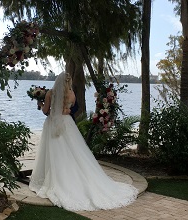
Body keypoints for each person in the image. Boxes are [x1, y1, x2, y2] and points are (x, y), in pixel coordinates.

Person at [29, 72, 138, 211]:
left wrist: (40, 103)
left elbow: (46, 111)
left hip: (53, 124)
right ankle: (73, 175)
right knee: (73, 151)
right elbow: (74, 109)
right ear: (68, 82)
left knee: (55, 152)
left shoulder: (50, 93)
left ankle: (55, 177)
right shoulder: (72, 94)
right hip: (67, 123)